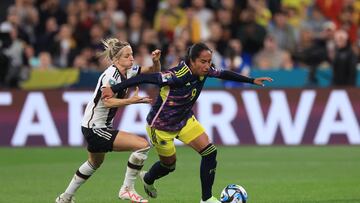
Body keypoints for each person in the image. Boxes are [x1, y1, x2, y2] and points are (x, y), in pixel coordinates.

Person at [102, 42, 273, 203]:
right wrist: (114, 88)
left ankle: (206, 199)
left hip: (184, 120)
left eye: (209, 62)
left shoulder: (206, 71)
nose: (207, 66)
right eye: (203, 62)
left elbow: (224, 73)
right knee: (169, 166)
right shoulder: (177, 76)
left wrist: (251, 81)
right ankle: (148, 178)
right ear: (192, 61)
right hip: (161, 126)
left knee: (210, 153)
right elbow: (146, 78)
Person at [55, 38, 162, 203]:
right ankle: (127, 189)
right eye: (127, 56)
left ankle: (65, 197)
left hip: (94, 126)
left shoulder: (129, 71)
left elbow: (154, 74)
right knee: (142, 145)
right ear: (116, 59)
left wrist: (156, 62)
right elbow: (107, 101)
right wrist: (131, 101)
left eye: (132, 54)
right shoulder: (111, 75)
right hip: (96, 128)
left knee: (94, 163)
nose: (131, 58)